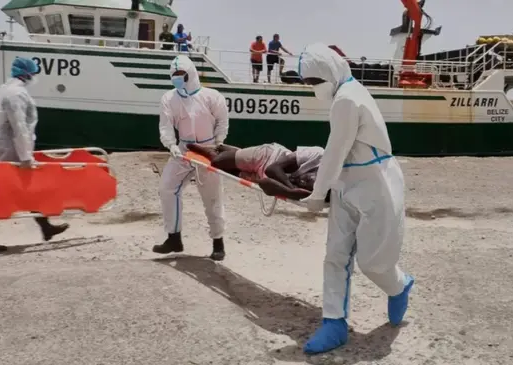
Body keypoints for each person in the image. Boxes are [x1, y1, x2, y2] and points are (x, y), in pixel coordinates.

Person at [297, 43, 414, 354]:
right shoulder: (343, 92)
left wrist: (316, 194)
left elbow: (335, 150)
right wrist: (327, 188)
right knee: (335, 255)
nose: (312, 89)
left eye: (314, 82)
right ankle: (334, 322)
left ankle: (399, 285)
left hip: (375, 183)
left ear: (331, 72)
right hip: (347, 182)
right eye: (307, 83)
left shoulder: (348, 99)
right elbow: (338, 155)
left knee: (374, 262)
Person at [0, 57, 69, 253]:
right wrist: (26, 156)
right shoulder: (16, 94)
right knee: (3, 194)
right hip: (12, 150)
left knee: (28, 189)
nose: (35, 77)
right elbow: (19, 126)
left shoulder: (4, 89)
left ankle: (46, 227)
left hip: (5, 147)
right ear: (28, 74)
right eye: (34, 73)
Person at [155, 55, 229, 261]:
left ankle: (218, 242)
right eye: (174, 75)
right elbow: (165, 125)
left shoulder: (212, 97)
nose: (178, 78)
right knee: (167, 189)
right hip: (183, 150)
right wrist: (170, 145)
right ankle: (174, 238)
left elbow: (223, 121)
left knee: (212, 197)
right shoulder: (168, 99)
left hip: (208, 149)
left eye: (182, 74)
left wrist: (218, 143)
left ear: (191, 74)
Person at [187, 143, 327, 201]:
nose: (303, 182)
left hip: (268, 176)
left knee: (230, 171)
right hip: (269, 155)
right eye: (307, 180)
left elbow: (264, 182)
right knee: (218, 162)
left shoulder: (327, 190)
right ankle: (213, 151)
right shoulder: (318, 154)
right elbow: (273, 168)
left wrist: (290, 194)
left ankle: (230, 151)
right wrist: (292, 188)